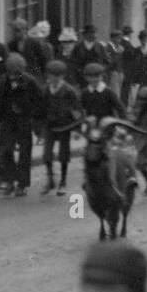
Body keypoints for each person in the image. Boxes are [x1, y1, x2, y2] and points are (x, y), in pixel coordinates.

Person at [0, 52, 44, 196]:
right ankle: (10, 179)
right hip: (8, 121)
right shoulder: (3, 81)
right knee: (6, 150)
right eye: (11, 73)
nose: (14, 76)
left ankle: (22, 184)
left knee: (24, 153)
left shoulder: (30, 81)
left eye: (17, 73)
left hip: (24, 120)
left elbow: (40, 100)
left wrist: (34, 116)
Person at [41, 60, 81, 196]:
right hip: (50, 125)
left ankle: (63, 181)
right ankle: (50, 179)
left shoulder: (69, 91)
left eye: (57, 76)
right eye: (52, 76)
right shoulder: (46, 89)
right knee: (47, 154)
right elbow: (42, 107)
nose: (54, 79)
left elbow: (77, 110)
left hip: (65, 125)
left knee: (64, 154)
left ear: (62, 76)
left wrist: (77, 129)